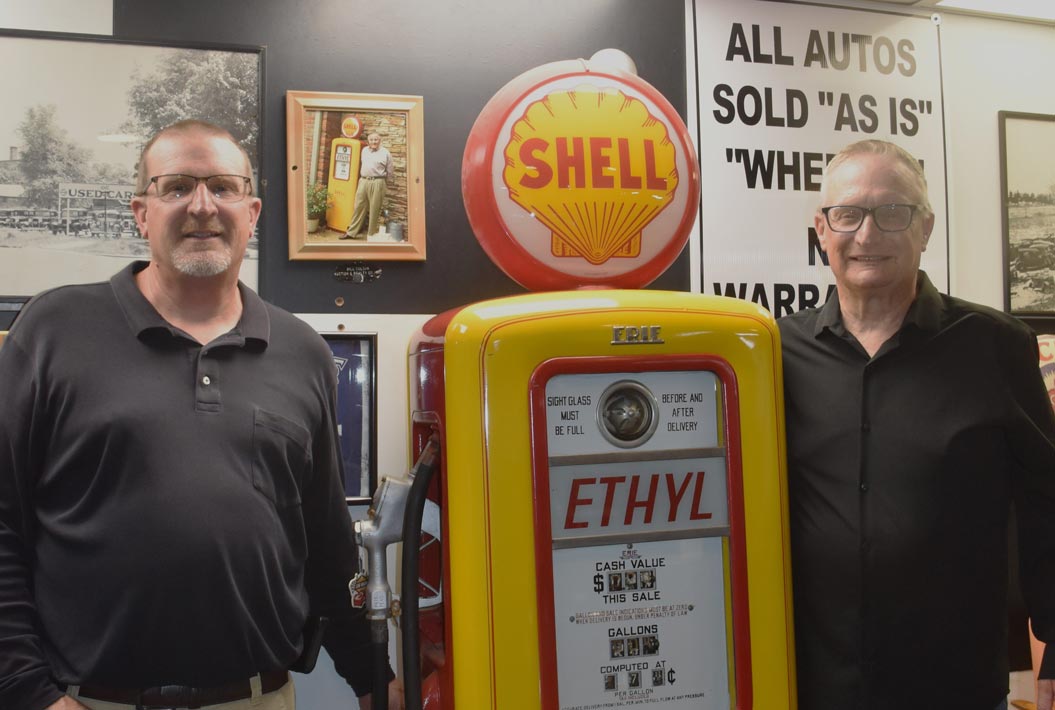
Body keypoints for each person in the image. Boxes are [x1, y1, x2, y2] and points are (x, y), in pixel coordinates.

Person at [0, 120, 404, 710]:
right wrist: (25, 690)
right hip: (87, 701)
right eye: (176, 187)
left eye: (222, 186)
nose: (201, 206)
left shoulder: (302, 352)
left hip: (257, 698)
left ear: (253, 211)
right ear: (141, 212)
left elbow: (325, 541)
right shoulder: (54, 330)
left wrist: (372, 678)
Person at [778, 139, 1055, 710]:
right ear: (821, 229)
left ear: (925, 228)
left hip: (954, 684)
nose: (867, 234)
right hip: (809, 683)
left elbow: (1045, 501)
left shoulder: (996, 346)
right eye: (847, 214)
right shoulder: (775, 353)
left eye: (892, 212)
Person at [341, 132, 393, 240]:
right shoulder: (364, 151)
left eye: (376, 140)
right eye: (372, 140)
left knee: (374, 209)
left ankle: (371, 235)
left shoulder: (385, 153)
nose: (374, 142)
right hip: (363, 181)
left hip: (378, 182)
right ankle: (351, 232)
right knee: (358, 206)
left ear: (380, 140)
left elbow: (390, 171)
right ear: (368, 141)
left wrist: (383, 183)